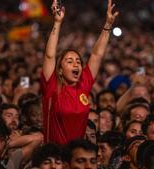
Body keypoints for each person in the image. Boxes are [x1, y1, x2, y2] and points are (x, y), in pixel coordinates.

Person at [41, 0, 119, 144]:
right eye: (69, 61)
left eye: (78, 61)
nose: (76, 64)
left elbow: (96, 55)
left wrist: (108, 25)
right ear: (59, 70)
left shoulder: (84, 84)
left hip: (77, 157)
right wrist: (57, 23)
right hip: (54, 157)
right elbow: (49, 55)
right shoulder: (52, 86)